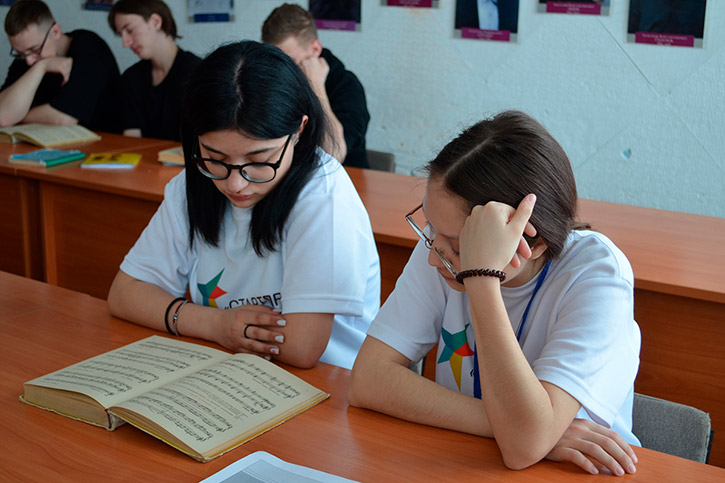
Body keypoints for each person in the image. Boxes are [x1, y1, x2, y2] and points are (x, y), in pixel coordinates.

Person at [349, 111, 641, 475]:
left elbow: (522, 449)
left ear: (533, 244)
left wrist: (481, 278)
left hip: (582, 472)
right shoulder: (442, 249)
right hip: (466, 458)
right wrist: (518, 427)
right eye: (429, 227)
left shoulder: (598, 274)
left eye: (460, 245)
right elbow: (367, 379)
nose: (433, 256)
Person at [107, 40, 380, 371]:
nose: (235, 184)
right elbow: (124, 293)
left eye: (259, 160)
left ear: (299, 130)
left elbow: (300, 348)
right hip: (230, 366)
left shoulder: (324, 197)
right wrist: (215, 324)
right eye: (215, 157)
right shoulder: (193, 183)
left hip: (324, 382)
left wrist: (190, 318)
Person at [262, 3, 370, 169]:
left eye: (291, 62)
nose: (282, 70)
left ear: (315, 48)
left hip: (345, 178)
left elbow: (334, 155)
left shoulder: (347, 85)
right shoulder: (274, 77)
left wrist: (316, 86)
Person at [0, 0, 120, 131]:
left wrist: (17, 117)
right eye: (20, 53)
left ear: (56, 32)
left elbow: (63, 119)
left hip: (105, 140)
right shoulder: (27, 57)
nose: (29, 61)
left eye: (35, 50)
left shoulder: (90, 48)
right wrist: (41, 67)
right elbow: (3, 115)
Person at [108, 0, 201, 141]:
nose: (125, 43)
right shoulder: (131, 77)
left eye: (130, 30)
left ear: (156, 22)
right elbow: (131, 138)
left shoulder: (198, 74)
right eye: (121, 34)